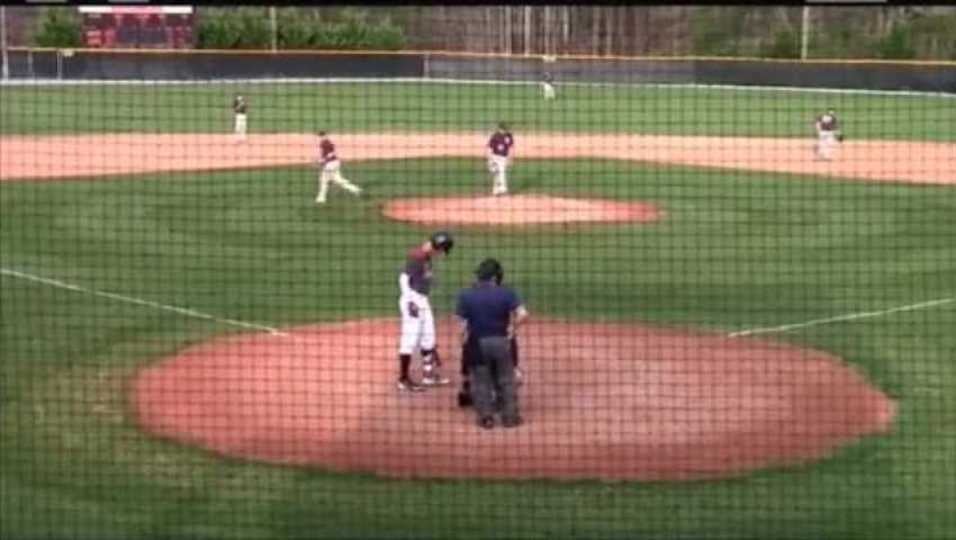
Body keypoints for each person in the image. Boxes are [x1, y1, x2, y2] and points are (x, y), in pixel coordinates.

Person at [456, 258, 530, 429]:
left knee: (481, 381)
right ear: (496, 277)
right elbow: (523, 314)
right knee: (506, 380)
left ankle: (486, 418)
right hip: (501, 342)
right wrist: (512, 327)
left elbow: (461, 326)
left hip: (476, 344)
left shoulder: (466, 295)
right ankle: (510, 418)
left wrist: (464, 344)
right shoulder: (508, 293)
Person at [396, 231, 455, 392]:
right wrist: (410, 302)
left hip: (422, 300)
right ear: (439, 248)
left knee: (429, 337)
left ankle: (428, 376)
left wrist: (428, 281)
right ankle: (403, 379)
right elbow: (403, 279)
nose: (442, 254)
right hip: (413, 301)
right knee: (410, 339)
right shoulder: (417, 257)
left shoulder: (426, 257)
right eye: (443, 250)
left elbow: (421, 277)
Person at [314, 131, 363, 204]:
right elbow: (330, 153)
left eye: (320, 136)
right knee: (338, 179)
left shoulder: (324, 143)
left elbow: (330, 154)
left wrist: (323, 160)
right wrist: (321, 160)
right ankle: (355, 189)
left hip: (330, 164)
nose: (320, 138)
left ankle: (321, 198)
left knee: (323, 180)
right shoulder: (329, 142)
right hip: (335, 163)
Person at [487, 122, 515, 196]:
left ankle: (503, 189)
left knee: (502, 172)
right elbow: (490, 148)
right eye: (503, 129)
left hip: (503, 158)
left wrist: (510, 158)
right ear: (499, 129)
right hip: (495, 157)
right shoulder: (495, 136)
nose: (504, 131)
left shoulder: (509, 136)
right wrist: (490, 160)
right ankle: (496, 190)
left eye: (505, 129)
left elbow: (511, 147)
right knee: (496, 173)